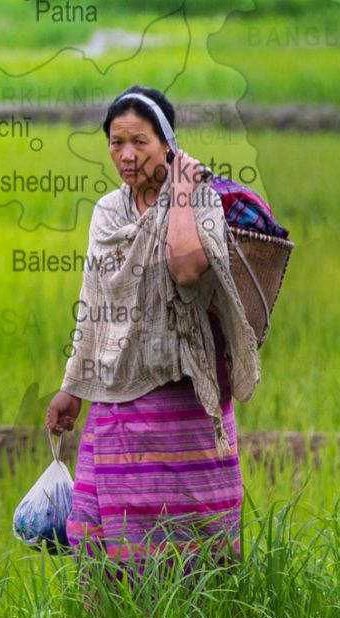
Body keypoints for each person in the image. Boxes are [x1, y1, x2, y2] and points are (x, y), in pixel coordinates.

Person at [45, 85, 262, 579]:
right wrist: (71, 390)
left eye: (139, 142)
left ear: (167, 143)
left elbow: (187, 268)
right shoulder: (108, 213)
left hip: (183, 403)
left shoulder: (201, 199)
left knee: (193, 548)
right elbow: (93, 309)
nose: (126, 155)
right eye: (116, 142)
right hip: (117, 402)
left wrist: (182, 190)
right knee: (106, 545)